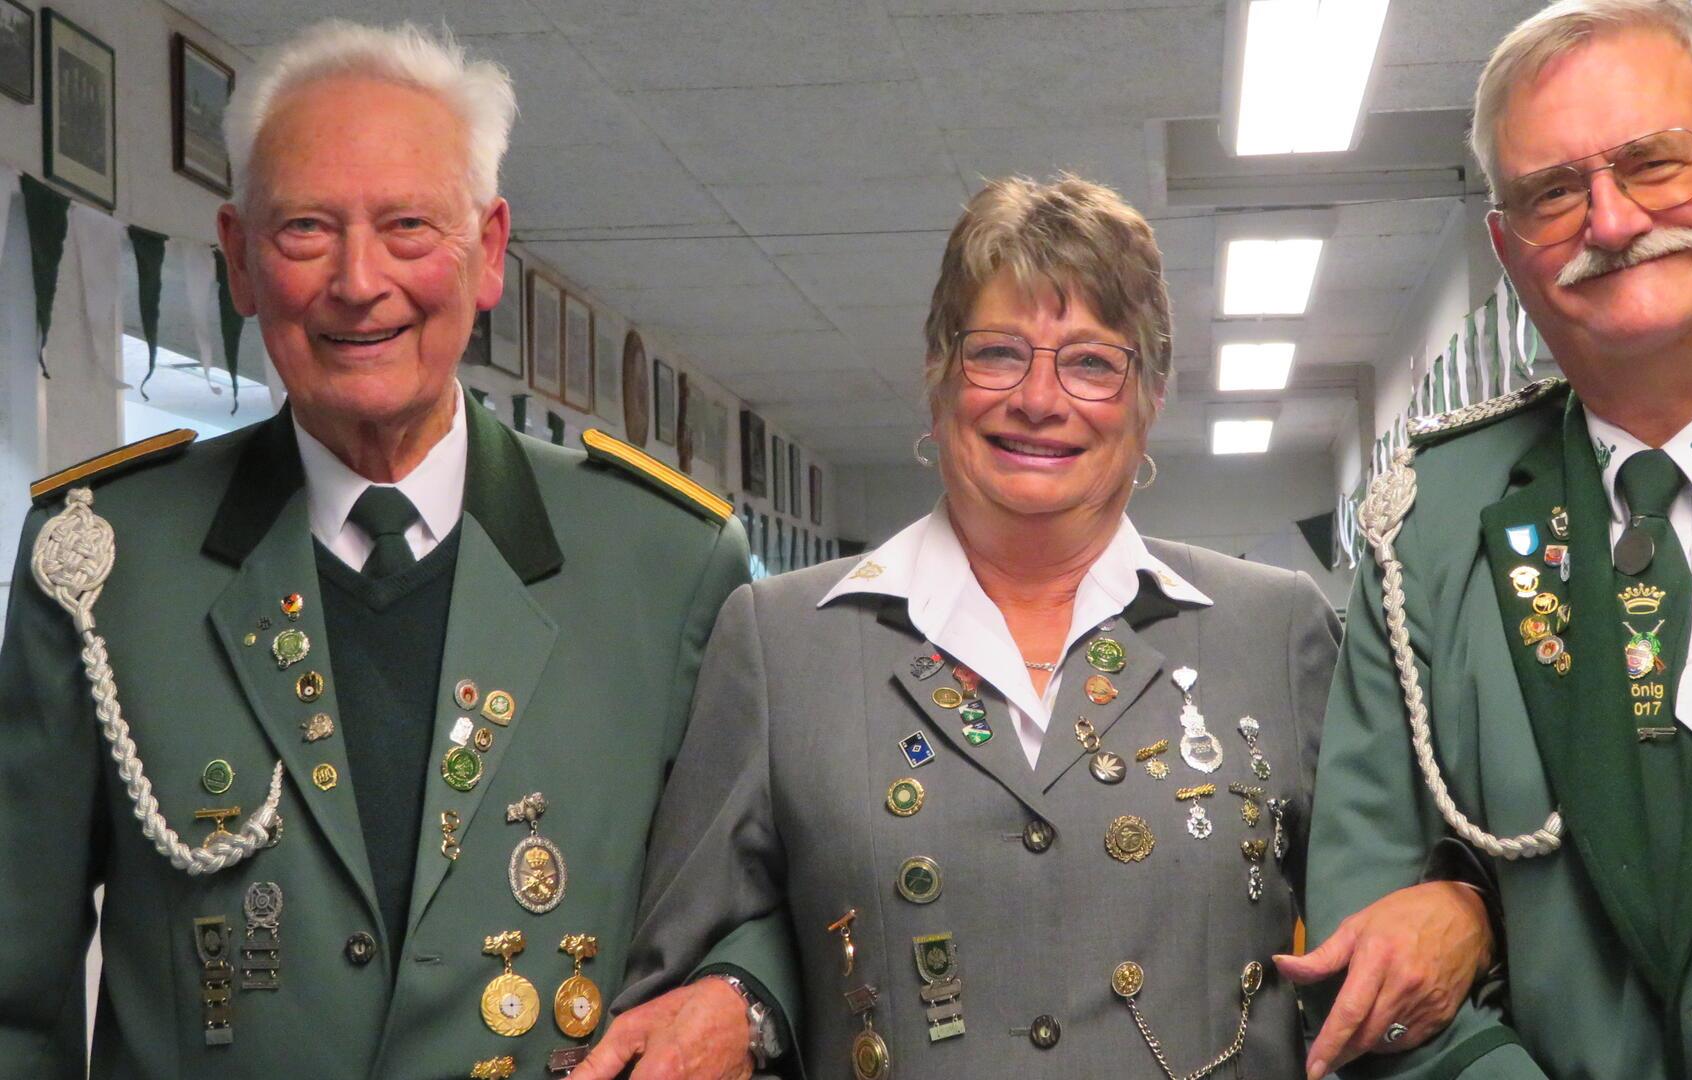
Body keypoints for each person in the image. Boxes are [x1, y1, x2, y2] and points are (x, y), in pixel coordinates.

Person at [0, 22, 794, 1079]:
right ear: (239, 258)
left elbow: (777, 897)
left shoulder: (667, 562)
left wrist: (748, 1000)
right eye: (306, 230)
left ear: (490, 251)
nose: (359, 280)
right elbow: (17, 989)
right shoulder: (101, 560)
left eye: (409, 226)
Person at [574, 175, 1493, 1080]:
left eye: (1093, 361)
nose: (1041, 400)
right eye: (998, 353)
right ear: (938, 372)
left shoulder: (1274, 629)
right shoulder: (779, 641)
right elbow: (691, 978)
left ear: (1150, 397)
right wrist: (743, 993)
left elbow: (1395, 927)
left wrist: (1463, 905)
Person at [1303, 1, 1692, 1077]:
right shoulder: (1428, 532)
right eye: (1552, 192)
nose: (1612, 221)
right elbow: (1366, 943)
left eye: (1654, 162)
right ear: (1507, 247)